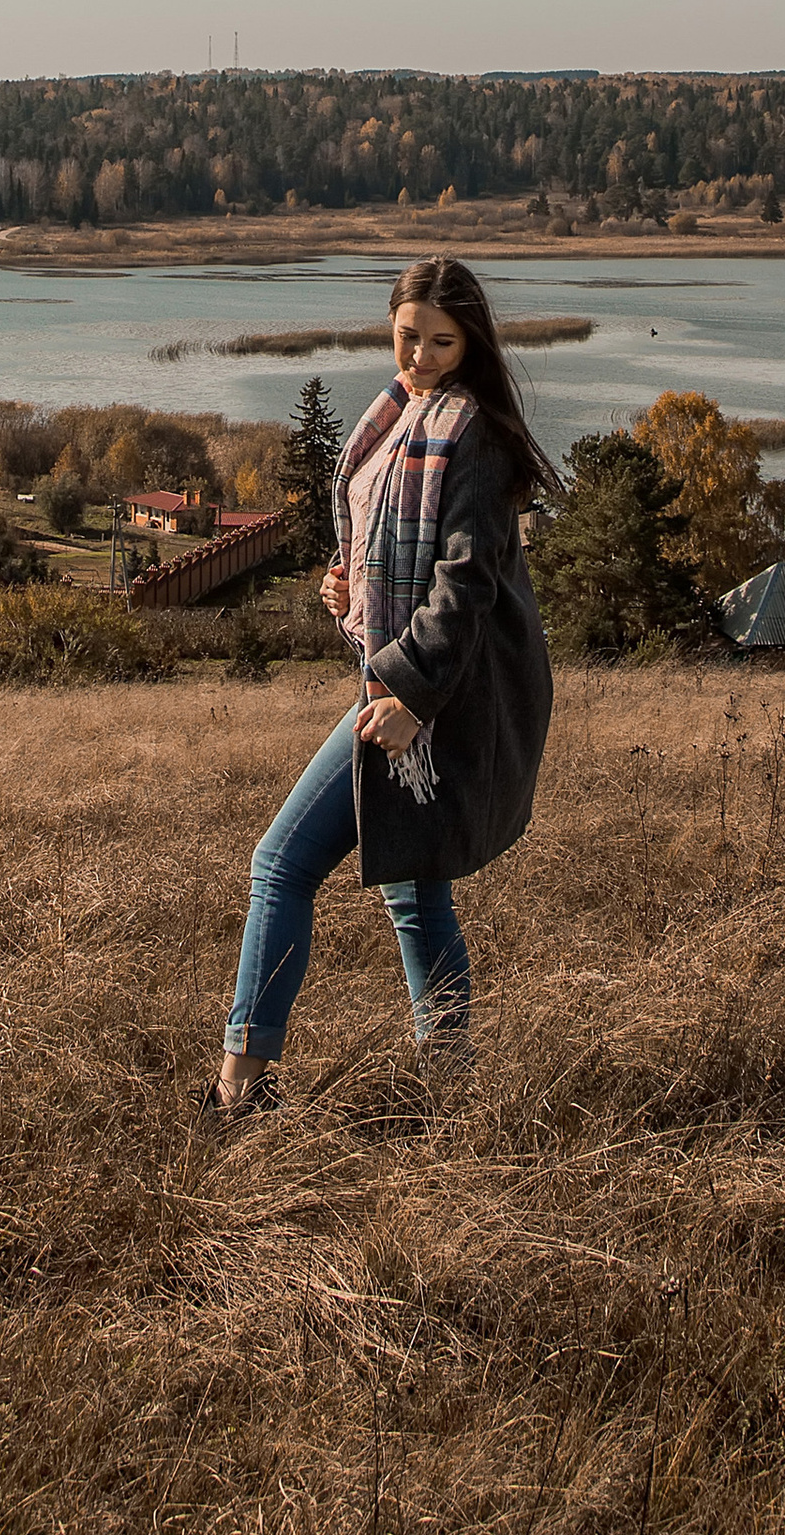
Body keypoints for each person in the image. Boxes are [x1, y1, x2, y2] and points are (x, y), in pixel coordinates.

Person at [212, 256, 559, 1114]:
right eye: (409, 336)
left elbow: (464, 581)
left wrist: (411, 697)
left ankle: (238, 1090)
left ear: (471, 341)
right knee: (415, 887)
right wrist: (347, 590)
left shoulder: (468, 431)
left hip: (432, 693)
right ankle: (451, 1091)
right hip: (402, 675)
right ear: (391, 324)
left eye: (443, 342)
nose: (422, 356)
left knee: (280, 864)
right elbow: (381, 542)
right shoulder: (399, 415)